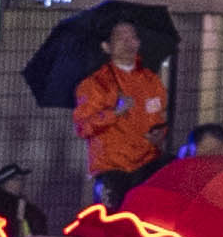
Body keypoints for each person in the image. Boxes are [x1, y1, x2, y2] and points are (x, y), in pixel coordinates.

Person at [66, 22, 168, 204]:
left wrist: (160, 134)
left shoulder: (151, 81)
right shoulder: (94, 84)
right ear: (107, 47)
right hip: (111, 169)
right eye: (121, 38)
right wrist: (114, 112)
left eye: (132, 37)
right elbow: (83, 128)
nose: (128, 42)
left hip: (147, 165)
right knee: (111, 222)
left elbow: (159, 118)